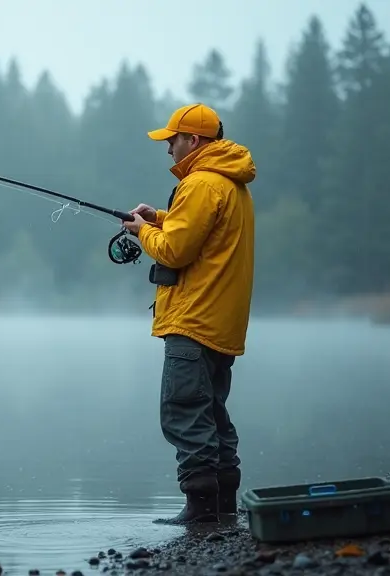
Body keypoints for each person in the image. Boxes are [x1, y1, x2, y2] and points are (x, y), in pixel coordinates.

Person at [121, 103, 256, 525]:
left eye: (172, 140)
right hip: (220, 322)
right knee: (212, 412)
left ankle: (200, 509)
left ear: (193, 140)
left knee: (184, 412)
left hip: (193, 320)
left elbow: (175, 250)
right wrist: (159, 218)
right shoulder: (230, 183)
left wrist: (144, 231)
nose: (168, 149)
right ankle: (223, 506)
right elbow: (201, 234)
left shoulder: (200, 184)